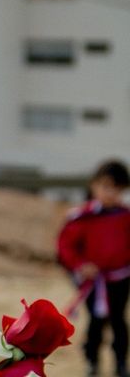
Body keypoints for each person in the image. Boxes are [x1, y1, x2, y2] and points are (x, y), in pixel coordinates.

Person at [58, 160, 130, 377]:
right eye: (105, 186)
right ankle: (92, 361)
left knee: (118, 320)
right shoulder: (82, 218)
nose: (110, 192)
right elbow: (65, 247)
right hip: (93, 282)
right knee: (96, 322)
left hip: (120, 278)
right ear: (94, 185)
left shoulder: (126, 217)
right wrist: (80, 266)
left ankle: (120, 363)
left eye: (117, 188)